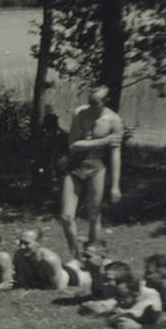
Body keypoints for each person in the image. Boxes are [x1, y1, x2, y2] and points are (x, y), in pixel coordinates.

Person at [59, 86, 123, 259]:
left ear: (105, 101)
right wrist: (103, 141)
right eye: (89, 102)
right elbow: (73, 145)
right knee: (66, 216)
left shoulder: (114, 120)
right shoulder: (80, 113)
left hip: (96, 168)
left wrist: (115, 186)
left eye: (95, 103)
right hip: (74, 167)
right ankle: (75, 255)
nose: (91, 106)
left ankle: (92, 255)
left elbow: (115, 154)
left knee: (94, 215)